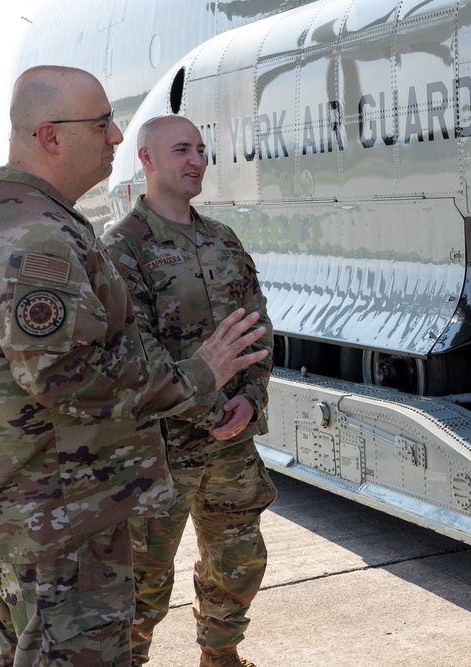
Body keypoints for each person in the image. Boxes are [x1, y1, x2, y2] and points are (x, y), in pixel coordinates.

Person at [0, 65, 270, 667]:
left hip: (39, 508)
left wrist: (242, 387)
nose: (115, 137)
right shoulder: (35, 234)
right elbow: (70, 379)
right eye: (101, 125)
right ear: (50, 136)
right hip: (61, 518)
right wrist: (199, 375)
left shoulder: (9, 215)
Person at [102, 114, 276, 667]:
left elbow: (257, 326)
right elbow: (135, 354)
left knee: (239, 561)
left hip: (230, 444)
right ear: (147, 159)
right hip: (158, 451)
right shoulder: (122, 250)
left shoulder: (223, 240)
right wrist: (209, 406)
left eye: (201, 149)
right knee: (142, 581)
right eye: (182, 150)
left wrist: (250, 397)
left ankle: (221, 656)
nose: (196, 160)